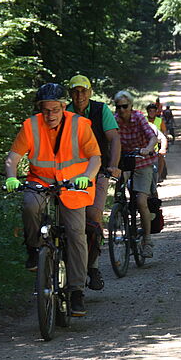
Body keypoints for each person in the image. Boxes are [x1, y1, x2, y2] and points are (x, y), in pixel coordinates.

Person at [5, 83, 101, 316]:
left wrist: (86, 177)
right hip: (40, 181)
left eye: (55, 110)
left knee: (76, 233)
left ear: (63, 107)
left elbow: (95, 158)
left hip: (73, 184)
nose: (50, 115)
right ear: (40, 109)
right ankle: (33, 248)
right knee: (29, 206)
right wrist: (11, 177)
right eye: (45, 110)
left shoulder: (79, 125)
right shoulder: (30, 126)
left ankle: (77, 291)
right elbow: (12, 158)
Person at [67, 75, 121, 291]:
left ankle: (94, 266)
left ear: (90, 92)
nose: (80, 95)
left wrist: (114, 165)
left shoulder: (101, 110)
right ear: (70, 93)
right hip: (69, 173)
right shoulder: (64, 112)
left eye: (83, 91)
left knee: (93, 216)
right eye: (75, 91)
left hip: (98, 171)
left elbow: (114, 138)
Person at [114, 91, 158, 257]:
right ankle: (119, 218)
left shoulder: (139, 118)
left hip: (142, 160)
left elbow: (152, 137)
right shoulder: (114, 120)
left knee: (140, 200)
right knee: (118, 192)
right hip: (123, 161)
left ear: (131, 106)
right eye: (118, 107)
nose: (122, 110)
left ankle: (147, 240)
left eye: (125, 106)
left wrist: (148, 148)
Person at [145, 103, 168, 182]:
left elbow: (164, 132)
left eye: (153, 111)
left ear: (156, 112)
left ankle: (159, 175)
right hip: (145, 144)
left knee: (161, 156)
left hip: (158, 142)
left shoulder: (160, 120)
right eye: (150, 111)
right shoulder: (143, 120)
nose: (151, 113)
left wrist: (165, 137)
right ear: (147, 112)